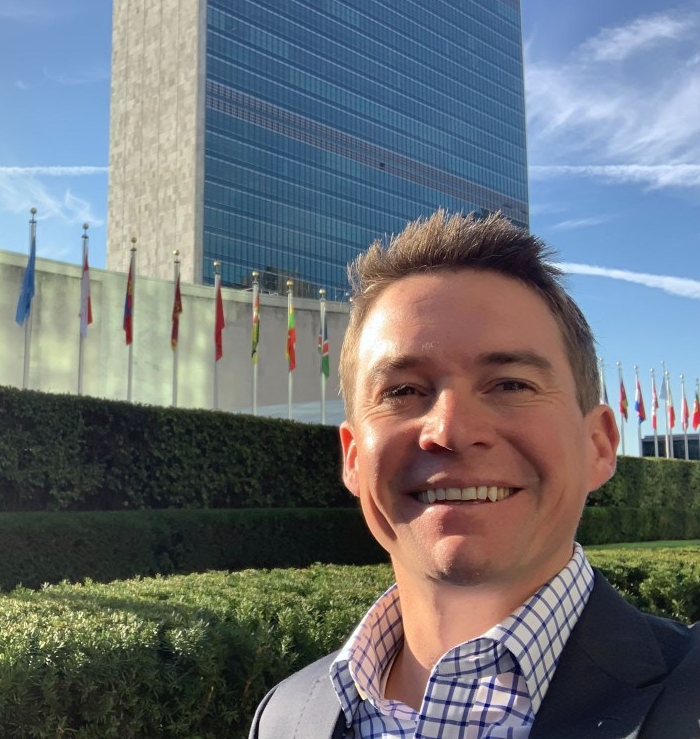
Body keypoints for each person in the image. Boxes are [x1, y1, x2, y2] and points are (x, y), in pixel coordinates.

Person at [249, 210, 700, 739]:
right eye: (402, 391)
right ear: (352, 457)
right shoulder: (285, 715)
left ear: (598, 445)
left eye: (510, 384)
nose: (452, 429)